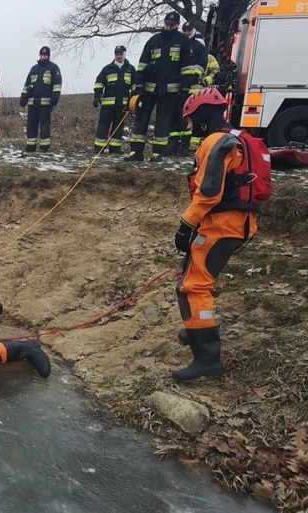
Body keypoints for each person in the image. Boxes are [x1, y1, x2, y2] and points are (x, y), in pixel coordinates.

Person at [173, 88, 271, 382]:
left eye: (190, 121)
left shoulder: (216, 142)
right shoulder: (236, 137)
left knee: (193, 286)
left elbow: (209, 192)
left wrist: (186, 225)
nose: (190, 128)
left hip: (223, 224)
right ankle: (196, 330)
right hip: (237, 222)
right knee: (192, 273)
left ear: (202, 116)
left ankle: (207, 358)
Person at [125, 11, 193, 162]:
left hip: (169, 89)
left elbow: (187, 67)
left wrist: (185, 87)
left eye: (172, 25)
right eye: (167, 24)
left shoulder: (183, 41)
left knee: (163, 121)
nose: (168, 27)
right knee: (141, 118)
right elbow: (142, 63)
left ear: (177, 25)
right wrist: (139, 83)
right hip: (149, 88)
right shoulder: (154, 40)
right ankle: (136, 152)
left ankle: (157, 153)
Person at [167, 22, 208, 156]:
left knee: (186, 118)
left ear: (194, 30)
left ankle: (184, 147)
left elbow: (203, 63)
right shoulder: (178, 45)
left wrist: (194, 75)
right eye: (184, 29)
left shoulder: (198, 46)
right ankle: (173, 145)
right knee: (174, 118)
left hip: (192, 89)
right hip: (176, 87)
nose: (187, 31)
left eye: (189, 29)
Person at [92, 45, 135, 155]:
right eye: (116, 54)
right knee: (103, 125)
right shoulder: (107, 69)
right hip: (107, 105)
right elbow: (99, 82)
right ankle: (99, 148)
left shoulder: (130, 69)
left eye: (120, 53)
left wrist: (133, 101)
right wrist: (97, 96)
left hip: (123, 105)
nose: (118, 56)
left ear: (124, 54)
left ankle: (115, 149)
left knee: (118, 127)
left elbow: (134, 87)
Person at [20, 46, 63, 153]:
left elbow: (57, 85)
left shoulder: (53, 68)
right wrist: (23, 98)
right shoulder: (34, 69)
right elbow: (27, 85)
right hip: (33, 103)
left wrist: (55, 98)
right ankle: (31, 146)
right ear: (39, 55)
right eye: (42, 54)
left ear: (48, 56)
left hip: (45, 103)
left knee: (45, 126)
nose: (43, 56)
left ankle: (44, 147)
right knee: (31, 125)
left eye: (45, 55)